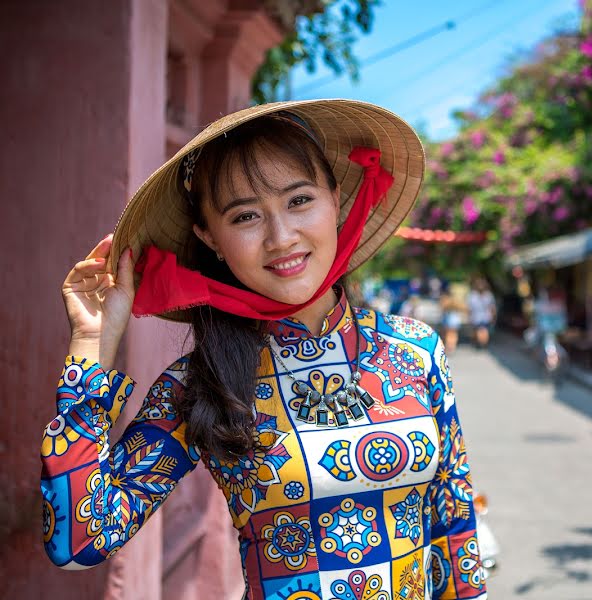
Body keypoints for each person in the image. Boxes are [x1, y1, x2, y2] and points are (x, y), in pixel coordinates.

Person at [44, 101, 487, 600]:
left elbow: (455, 534)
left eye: (299, 201)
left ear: (336, 200)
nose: (281, 238)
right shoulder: (202, 383)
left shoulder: (416, 350)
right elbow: (78, 540)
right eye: (246, 216)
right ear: (209, 236)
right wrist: (89, 351)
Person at [466, 278, 496, 349]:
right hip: (481, 316)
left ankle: (481, 343)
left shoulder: (473, 295)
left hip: (480, 316)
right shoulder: (488, 295)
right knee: (483, 330)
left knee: (480, 330)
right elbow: (492, 307)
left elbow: (469, 307)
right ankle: (482, 343)